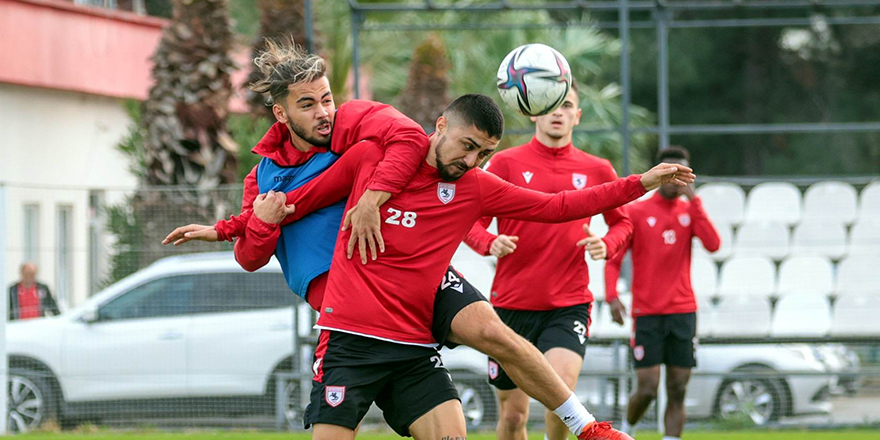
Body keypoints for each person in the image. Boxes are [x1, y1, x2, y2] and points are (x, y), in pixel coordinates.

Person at [163, 40, 640, 440]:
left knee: (497, 336)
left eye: (327, 98)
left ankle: (587, 427)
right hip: (353, 319)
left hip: (418, 285)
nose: (325, 111)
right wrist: (243, 224)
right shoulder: (264, 179)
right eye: (308, 104)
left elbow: (411, 141)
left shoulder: (358, 132)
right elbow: (257, 249)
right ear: (280, 111)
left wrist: (371, 199)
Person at [263, 93, 693, 440]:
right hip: (351, 342)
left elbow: (560, 206)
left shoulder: (475, 186)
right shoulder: (374, 159)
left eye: (484, 153)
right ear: (441, 125)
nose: (471, 161)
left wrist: (641, 182)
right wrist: (230, 228)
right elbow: (296, 203)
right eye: (468, 146)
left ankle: (588, 428)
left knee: (493, 338)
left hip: (413, 347)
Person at [463, 81, 632, 440]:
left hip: (568, 304)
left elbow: (624, 222)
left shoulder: (597, 168)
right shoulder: (506, 162)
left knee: (562, 395)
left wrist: (608, 243)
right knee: (512, 417)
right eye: (552, 105)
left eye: (567, 106)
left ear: (577, 116)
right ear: (534, 110)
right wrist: (489, 242)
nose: (559, 112)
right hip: (510, 307)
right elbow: (469, 220)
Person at [604, 146, 720, 440]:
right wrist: (612, 296)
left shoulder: (690, 210)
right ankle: (627, 431)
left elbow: (713, 244)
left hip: (683, 312)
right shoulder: (637, 211)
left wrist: (695, 201)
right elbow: (613, 258)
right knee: (647, 388)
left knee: (678, 388)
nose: (675, 179)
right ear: (659, 174)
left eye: (681, 173)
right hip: (647, 313)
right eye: (670, 172)